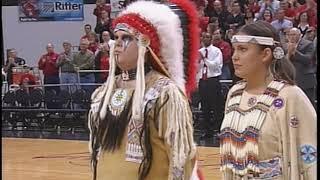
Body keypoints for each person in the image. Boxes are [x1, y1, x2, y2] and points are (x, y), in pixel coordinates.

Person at [87, 0, 202, 179]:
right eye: (115, 37)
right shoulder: (103, 92)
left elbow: (181, 156)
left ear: (144, 45)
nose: (116, 44)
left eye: (126, 38)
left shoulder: (164, 92)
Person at [219, 20, 316, 179]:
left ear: (265, 54)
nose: (235, 57)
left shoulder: (289, 96)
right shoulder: (235, 93)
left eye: (243, 49)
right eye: (234, 50)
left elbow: (310, 153)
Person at [197, 32, 224, 138]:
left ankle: (219, 130)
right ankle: (208, 131)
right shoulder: (199, 51)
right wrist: (198, 61)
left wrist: (204, 59)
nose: (206, 39)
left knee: (216, 106)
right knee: (205, 107)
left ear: (211, 39)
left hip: (213, 80)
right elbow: (197, 68)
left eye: (208, 37)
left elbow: (215, 66)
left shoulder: (217, 51)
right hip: (203, 81)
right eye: (204, 37)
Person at [284, 27, 316, 107]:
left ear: (299, 35)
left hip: (305, 80)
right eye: (290, 35)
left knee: (309, 104)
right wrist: (288, 53)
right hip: (291, 79)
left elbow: (308, 59)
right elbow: (284, 62)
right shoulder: (285, 46)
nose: (291, 37)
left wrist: (295, 52)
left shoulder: (308, 44)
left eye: (294, 34)